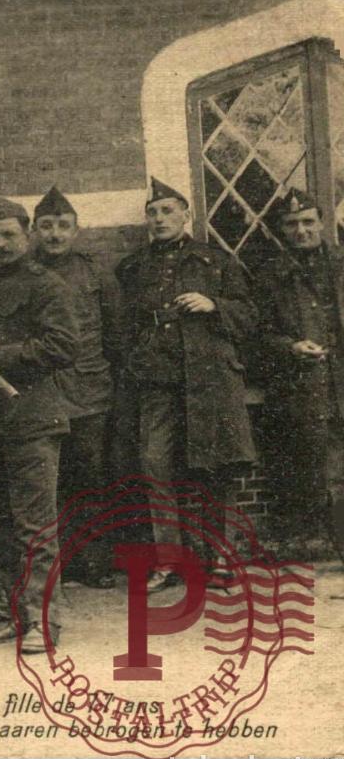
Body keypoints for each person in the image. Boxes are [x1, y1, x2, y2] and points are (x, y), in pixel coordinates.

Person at [115, 177, 257, 592]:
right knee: (155, 466)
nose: (159, 219)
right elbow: (125, 326)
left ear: (186, 214)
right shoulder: (135, 267)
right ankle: (169, 561)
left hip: (209, 379)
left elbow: (250, 317)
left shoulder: (217, 262)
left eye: (167, 211)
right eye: (153, 212)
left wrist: (215, 305)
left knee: (217, 468)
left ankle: (222, 559)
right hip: (157, 381)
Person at [0, 195, 77, 653]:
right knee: (1, 526)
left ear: (29, 235)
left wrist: (0, 357)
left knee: (36, 527)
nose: (1, 243)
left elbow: (62, 345)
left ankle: (44, 622)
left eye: (10, 234)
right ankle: (19, 615)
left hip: (34, 420)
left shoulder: (46, 285)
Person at [31, 186, 121, 588]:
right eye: (46, 226)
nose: (54, 234)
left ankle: (96, 563)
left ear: (76, 230)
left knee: (90, 476)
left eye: (63, 226)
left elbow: (117, 332)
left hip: (90, 391)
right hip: (44, 390)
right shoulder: (28, 273)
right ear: (34, 230)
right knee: (49, 480)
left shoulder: (95, 272)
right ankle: (59, 563)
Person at [253, 188, 344, 561]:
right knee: (324, 469)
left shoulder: (340, 264)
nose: (302, 230)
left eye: (308, 222)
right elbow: (257, 333)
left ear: (322, 224)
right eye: (292, 224)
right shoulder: (269, 276)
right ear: (281, 229)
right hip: (304, 386)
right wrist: (290, 347)